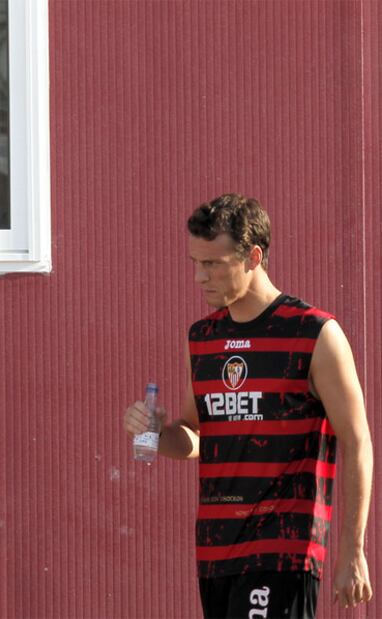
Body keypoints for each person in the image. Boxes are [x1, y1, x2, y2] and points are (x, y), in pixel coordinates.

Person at [124, 193, 373, 619]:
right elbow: (198, 437)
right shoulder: (202, 337)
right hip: (216, 549)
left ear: (254, 256)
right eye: (196, 263)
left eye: (214, 264)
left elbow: (357, 440)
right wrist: (151, 432)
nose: (200, 277)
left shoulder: (314, 333)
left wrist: (353, 550)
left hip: (282, 550)